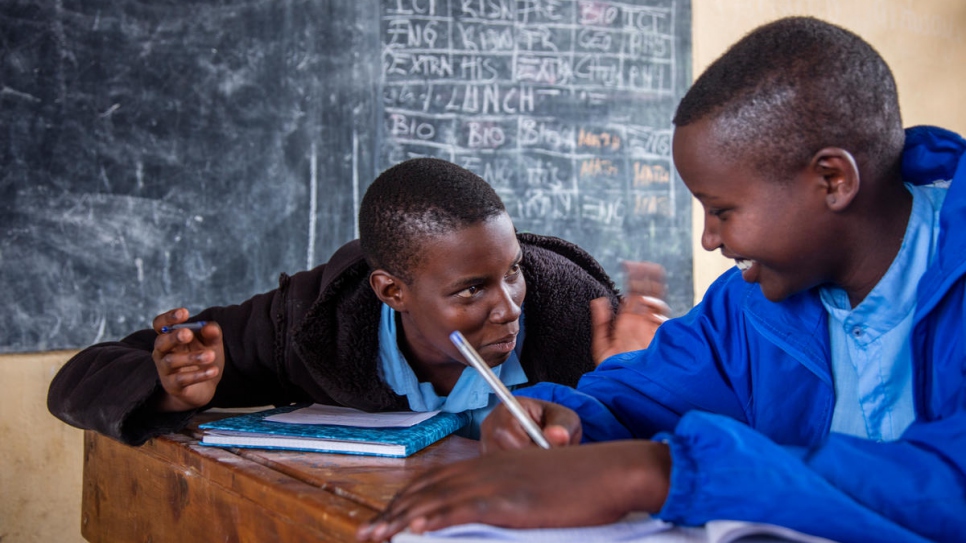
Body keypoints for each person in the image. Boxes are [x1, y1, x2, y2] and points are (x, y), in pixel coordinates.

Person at [357, 17, 966, 543]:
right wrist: (557, 417)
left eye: (722, 210)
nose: (709, 238)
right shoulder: (747, 306)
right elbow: (638, 397)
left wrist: (659, 472)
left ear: (832, 180)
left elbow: (946, 486)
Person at [48, 157, 668, 444]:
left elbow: (681, 441)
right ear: (391, 291)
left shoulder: (579, 320)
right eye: (471, 290)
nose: (508, 306)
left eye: (513, 273)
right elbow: (83, 374)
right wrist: (170, 387)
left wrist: (637, 378)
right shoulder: (315, 323)